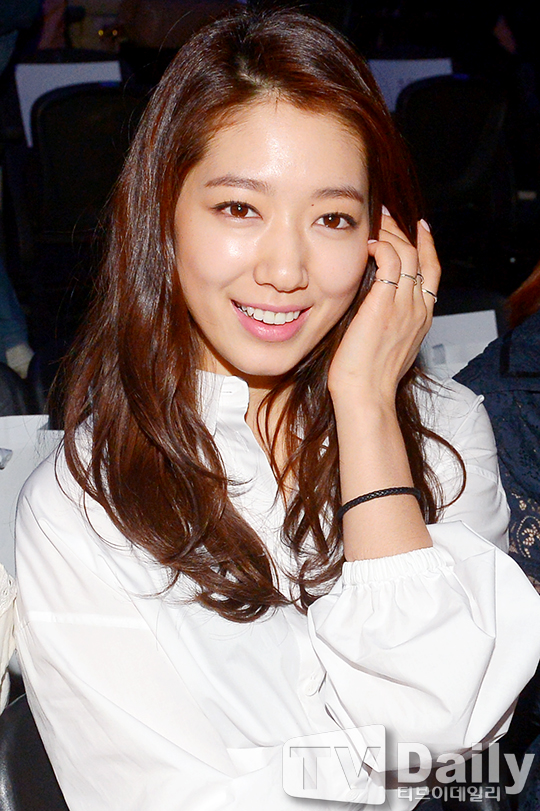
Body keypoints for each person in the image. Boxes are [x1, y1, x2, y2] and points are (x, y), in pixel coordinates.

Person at [13, 8, 540, 810]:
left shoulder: (444, 431)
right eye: (239, 208)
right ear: (163, 216)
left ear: (381, 240)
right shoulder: (82, 501)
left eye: (332, 218)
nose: (287, 268)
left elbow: (444, 737)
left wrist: (366, 407)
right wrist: (386, 769)